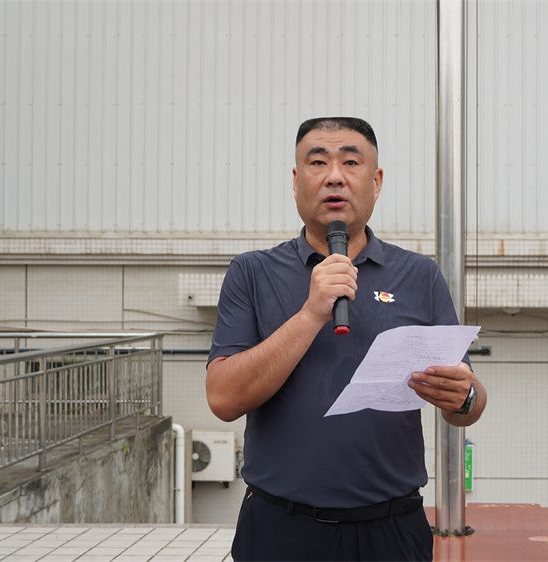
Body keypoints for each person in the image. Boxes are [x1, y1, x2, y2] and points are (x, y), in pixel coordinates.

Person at [206, 117, 487, 561]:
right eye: (318, 162)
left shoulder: (420, 276)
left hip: (391, 531)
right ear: (296, 180)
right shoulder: (252, 273)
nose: (334, 176)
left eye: (351, 162)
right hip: (280, 528)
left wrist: (465, 396)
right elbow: (223, 398)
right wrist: (310, 313)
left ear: (376, 181)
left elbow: (467, 404)